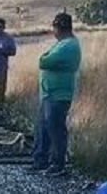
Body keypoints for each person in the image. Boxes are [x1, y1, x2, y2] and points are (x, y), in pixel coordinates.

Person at [30, 12, 82, 177]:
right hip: (49, 94)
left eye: (54, 28)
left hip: (58, 95)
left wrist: (45, 57)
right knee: (43, 128)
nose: (53, 31)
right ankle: (41, 160)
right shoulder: (61, 44)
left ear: (59, 27)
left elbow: (43, 61)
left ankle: (57, 163)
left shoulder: (68, 45)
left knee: (56, 130)